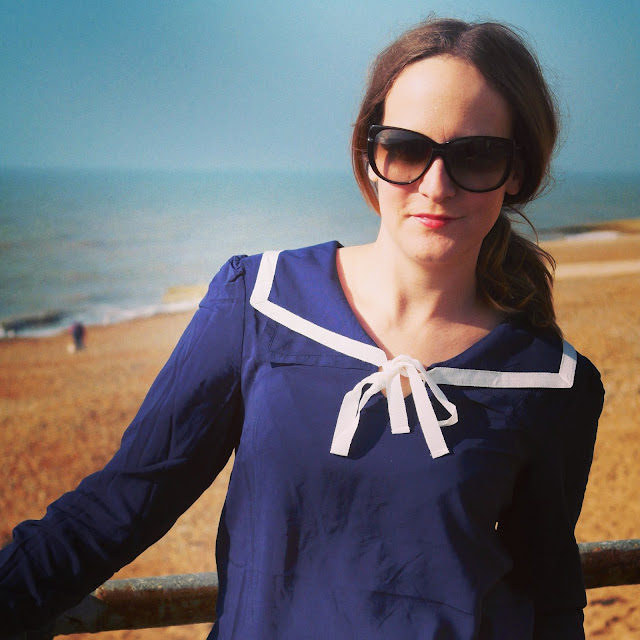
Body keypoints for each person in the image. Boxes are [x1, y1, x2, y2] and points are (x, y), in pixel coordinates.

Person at [0, 17, 603, 639]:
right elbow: (121, 504)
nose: (436, 185)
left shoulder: (552, 382)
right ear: (370, 153)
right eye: (407, 148)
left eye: (476, 156)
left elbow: (550, 601)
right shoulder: (258, 302)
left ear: (517, 170)